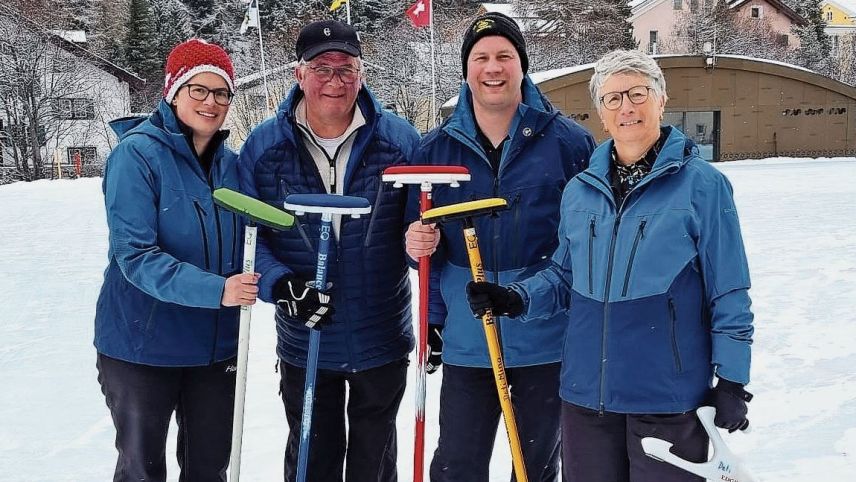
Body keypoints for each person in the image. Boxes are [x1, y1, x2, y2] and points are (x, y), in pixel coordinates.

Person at [466, 49, 755, 482]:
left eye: (637, 94)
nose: (627, 108)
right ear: (601, 112)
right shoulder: (581, 190)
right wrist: (516, 297)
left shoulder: (703, 187)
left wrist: (732, 380)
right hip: (586, 397)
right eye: (613, 98)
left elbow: (728, 289)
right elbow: (565, 274)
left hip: (666, 396)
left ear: (660, 99)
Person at [404, 12, 595, 482]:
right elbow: (422, 248)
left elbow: (585, 244)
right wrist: (417, 249)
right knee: (457, 465)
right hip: (468, 341)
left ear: (522, 65)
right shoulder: (435, 150)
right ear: (467, 70)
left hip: (545, 338)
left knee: (534, 467)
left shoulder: (569, 143)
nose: (493, 67)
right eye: (481, 57)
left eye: (504, 56)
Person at [237, 19, 420, 482]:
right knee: (311, 460)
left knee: (373, 465)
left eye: (347, 68)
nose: (335, 81)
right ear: (299, 74)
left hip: (380, 335)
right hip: (306, 339)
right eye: (322, 68)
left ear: (362, 73)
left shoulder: (398, 143)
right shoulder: (264, 148)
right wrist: (283, 285)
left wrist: (421, 245)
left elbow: (420, 234)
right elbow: (248, 239)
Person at [94, 39, 253, 481]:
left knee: (208, 467)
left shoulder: (232, 167)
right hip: (144, 345)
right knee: (142, 470)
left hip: (215, 347)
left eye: (221, 93)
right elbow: (136, 256)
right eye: (198, 90)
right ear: (173, 92)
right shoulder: (137, 155)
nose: (211, 102)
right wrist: (219, 290)